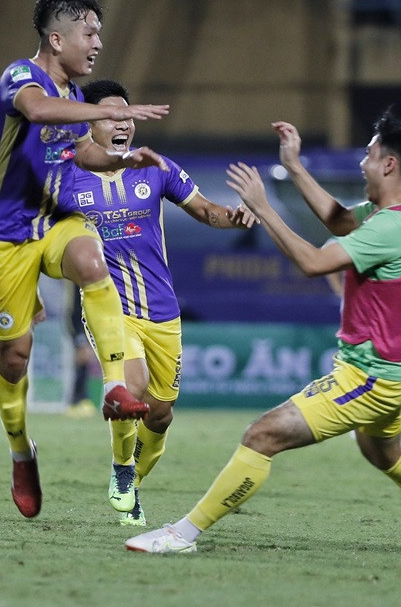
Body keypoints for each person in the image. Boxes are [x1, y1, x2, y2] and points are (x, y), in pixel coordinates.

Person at [125, 110, 401, 553]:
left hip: (370, 376)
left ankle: (182, 534)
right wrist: (294, 166)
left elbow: (313, 262)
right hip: (394, 368)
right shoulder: (400, 214)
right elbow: (336, 221)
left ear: (389, 164)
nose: (362, 163)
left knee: (262, 435)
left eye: (369, 155)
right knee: (383, 453)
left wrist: (263, 208)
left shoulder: (391, 226)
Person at [0, 0, 172, 519]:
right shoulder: (22, 77)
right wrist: (98, 113)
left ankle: (113, 387)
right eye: (89, 34)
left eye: (99, 35)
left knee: (92, 260)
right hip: (5, 234)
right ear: (56, 37)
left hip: (56, 220)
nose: (97, 45)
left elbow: (80, 150)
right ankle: (21, 451)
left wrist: (120, 160)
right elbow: (39, 112)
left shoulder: (77, 102)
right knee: (14, 359)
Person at [75, 79, 256, 526]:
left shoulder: (155, 168)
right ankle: (120, 469)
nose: (122, 124)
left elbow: (204, 209)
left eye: (127, 116)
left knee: (160, 415)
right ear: (87, 125)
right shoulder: (68, 177)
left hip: (162, 311)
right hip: (109, 307)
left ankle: (131, 482)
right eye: (109, 117)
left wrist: (234, 218)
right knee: (130, 387)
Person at [64, 282, 98, 418]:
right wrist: (79, 338)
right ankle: (75, 400)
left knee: (88, 361)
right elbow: (72, 310)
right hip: (79, 327)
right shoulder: (76, 281)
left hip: (94, 325)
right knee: (82, 359)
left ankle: (82, 399)